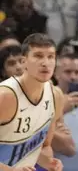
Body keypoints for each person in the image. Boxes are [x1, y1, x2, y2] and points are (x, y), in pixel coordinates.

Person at [0, 33, 65, 170]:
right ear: (24, 62)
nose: (45, 63)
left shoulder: (56, 96)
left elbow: (44, 146)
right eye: (38, 56)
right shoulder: (5, 96)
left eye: (50, 57)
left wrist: (47, 162)